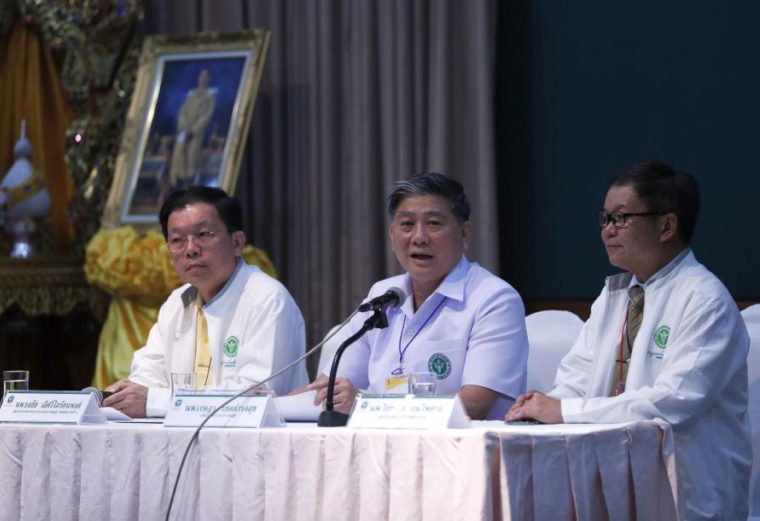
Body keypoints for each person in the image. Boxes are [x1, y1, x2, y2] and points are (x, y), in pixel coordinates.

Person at [505, 160, 751, 520]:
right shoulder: (616, 295)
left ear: (666, 225)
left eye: (620, 218)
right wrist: (540, 408)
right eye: (604, 219)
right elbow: (577, 375)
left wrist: (562, 411)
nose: (608, 230)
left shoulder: (705, 300)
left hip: (687, 495)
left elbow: (672, 402)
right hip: (617, 485)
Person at [305, 172, 529, 420]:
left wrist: (365, 404)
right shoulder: (382, 295)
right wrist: (263, 401)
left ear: (464, 234)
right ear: (392, 236)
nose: (419, 237)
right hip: (383, 446)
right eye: (407, 225)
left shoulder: (494, 299)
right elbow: (324, 391)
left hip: (463, 452)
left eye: (434, 223)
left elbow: (473, 406)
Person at [103, 186, 308, 417]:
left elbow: (254, 397)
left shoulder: (267, 299)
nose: (190, 249)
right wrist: (122, 394)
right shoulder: (176, 303)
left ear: (237, 242)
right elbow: (149, 375)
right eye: (178, 239)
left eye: (204, 235)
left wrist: (155, 401)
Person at [168, 68, 216, 188]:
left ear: (209, 79)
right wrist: (184, 126)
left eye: (206, 76)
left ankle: (190, 186)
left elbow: (207, 115)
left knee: (191, 158)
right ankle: (175, 184)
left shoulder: (211, 95)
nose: (203, 79)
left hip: (196, 133)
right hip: (184, 130)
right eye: (201, 76)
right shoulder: (191, 94)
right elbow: (182, 112)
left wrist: (194, 129)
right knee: (178, 155)